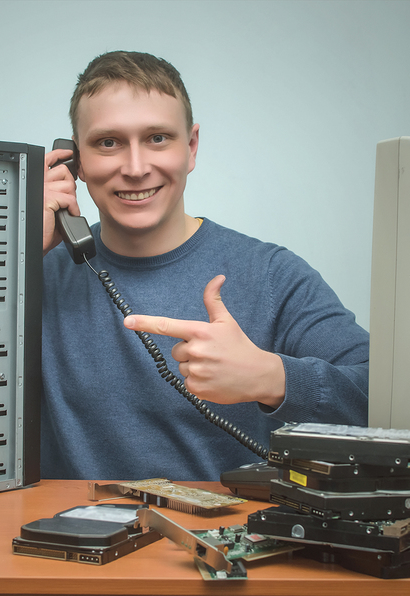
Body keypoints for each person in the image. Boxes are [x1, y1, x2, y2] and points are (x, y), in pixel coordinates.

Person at [40, 51, 369, 481]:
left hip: (219, 542)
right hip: (66, 538)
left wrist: (274, 378)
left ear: (191, 147)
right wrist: (14, 250)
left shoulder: (271, 273)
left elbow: (384, 400)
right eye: (108, 143)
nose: (136, 168)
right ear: (74, 161)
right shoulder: (34, 274)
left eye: (158, 138)